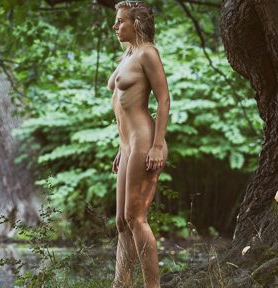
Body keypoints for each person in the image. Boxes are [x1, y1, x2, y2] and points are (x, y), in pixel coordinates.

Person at [106, 1, 169, 287]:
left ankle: (152, 286)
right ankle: (121, 285)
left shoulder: (148, 53)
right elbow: (122, 106)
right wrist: (122, 148)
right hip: (128, 145)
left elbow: (163, 99)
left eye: (120, 21)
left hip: (145, 141)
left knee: (136, 217)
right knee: (121, 221)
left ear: (137, 23)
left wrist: (157, 145)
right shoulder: (129, 54)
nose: (115, 26)